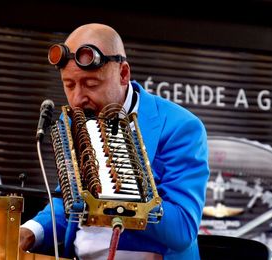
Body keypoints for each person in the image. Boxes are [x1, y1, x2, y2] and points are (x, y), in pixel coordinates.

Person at [19, 23, 209, 259]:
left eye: (91, 84)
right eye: (69, 85)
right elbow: (67, 204)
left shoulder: (180, 126)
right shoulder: (73, 120)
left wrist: (123, 189)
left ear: (123, 74)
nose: (78, 99)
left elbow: (182, 229)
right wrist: (30, 231)